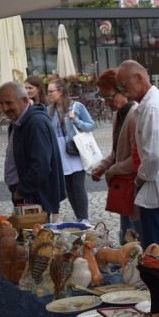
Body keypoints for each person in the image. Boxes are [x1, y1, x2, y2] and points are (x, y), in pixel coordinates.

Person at [116, 60, 159, 249]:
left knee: (156, 251)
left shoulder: (152, 107)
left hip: (157, 191)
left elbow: (155, 154)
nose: (123, 92)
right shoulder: (152, 103)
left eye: (124, 86)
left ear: (139, 77)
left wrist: (140, 178)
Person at [91, 68, 141, 243]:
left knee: (133, 237)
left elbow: (137, 157)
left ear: (122, 91)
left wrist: (112, 170)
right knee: (125, 234)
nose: (107, 103)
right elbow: (116, 151)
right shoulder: (118, 115)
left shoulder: (134, 115)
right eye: (104, 99)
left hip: (133, 186)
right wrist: (103, 165)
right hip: (124, 187)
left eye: (109, 98)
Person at [1, 82, 65, 216]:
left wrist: (21, 191)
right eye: (1, 103)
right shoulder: (17, 122)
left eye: (8, 103)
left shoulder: (35, 123)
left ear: (24, 100)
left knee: (34, 235)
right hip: (25, 193)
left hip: (33, 196)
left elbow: (41, 166)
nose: (5, 108)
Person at [47, 78, 94, 224]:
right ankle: (78, 216)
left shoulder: (77, 107)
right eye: (48, 91)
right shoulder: (49, 110)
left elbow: (91, 125)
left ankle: (84, 218)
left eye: (51, 91)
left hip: (75, 150)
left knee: (78, 186)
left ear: (60, 92)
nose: (49, 94)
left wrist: (76, 121)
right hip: (59, 154)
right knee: (68, 188)